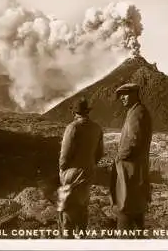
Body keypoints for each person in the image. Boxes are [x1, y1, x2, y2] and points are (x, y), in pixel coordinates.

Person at [57, 98, 104, 237]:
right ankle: (81, 237)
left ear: (74, 113)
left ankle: (67, 240)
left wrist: (62, 169)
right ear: (87, 111)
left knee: (67, 209)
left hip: (71, 173)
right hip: (88, 172)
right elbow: (100, 153)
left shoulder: (72, 128)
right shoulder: (97, 128)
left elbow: (65, 155)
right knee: (82, 206)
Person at [110, 83, 153, 230]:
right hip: (133, 172)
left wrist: (119, 157)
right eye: (120, 95)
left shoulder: (137, 113)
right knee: (135, 210)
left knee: (126, 209)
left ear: (135, 93)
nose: (122, 98)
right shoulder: (135, 111)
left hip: (131, 172)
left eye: (125, 94)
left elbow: (133, 141)